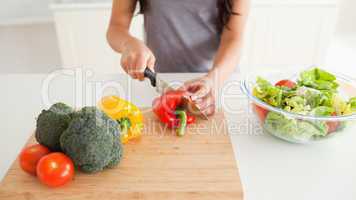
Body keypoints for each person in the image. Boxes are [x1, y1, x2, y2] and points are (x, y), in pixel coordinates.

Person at [107, 0, 249, 116]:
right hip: (161, 81)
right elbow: (116, 27)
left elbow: (233, 38)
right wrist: (128, 44)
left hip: (219, 82)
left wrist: (213, 80)